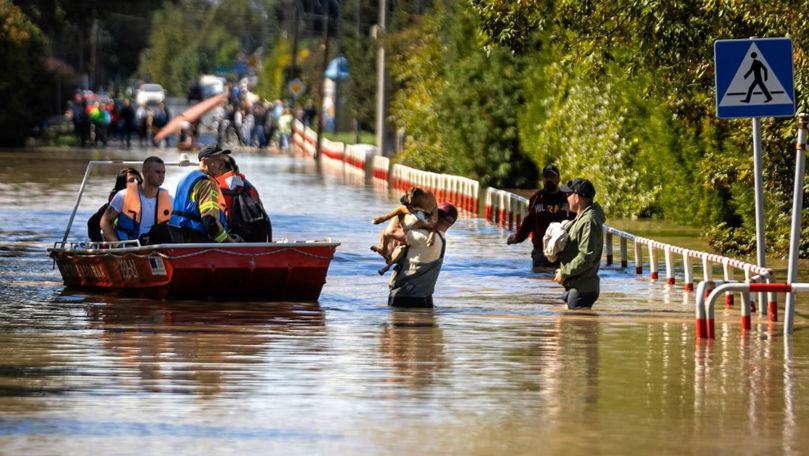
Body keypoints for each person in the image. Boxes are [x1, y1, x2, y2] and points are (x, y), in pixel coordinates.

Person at [388, 202, 458, 308]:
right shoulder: (441, 239)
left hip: (405, 299)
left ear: (435, 217)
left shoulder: (423, 237)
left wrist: (400, 212)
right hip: (424, 299)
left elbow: (391, 231)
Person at [507, 164, 574, 272]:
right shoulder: (536, 198)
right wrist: (518, 237)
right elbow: (528, 222)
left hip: (562, 251)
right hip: (540, 251)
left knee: (559, 280)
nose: (549, 180)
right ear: (542, 179)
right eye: (546, 177)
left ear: (558, 179)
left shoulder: (567, 198)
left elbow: (576, 221)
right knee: (539, 280)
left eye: (552, 177)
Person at [553, 178, 606, 310]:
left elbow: (586, 257)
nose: (566, 198)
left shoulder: (589, 221)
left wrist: (564, 273)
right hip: (577, 286)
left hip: (582, 289)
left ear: (576, 197)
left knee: (576, 329)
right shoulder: (582, 218)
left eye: (568, 194)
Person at [99, 157, 173, 245]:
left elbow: (176, 228)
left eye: (163, 172)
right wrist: (116, 244)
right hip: (127, 250)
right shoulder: (123, 195)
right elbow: (105, 220)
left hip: (156, 250)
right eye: (157, 172)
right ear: (145, 172)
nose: (161, 176)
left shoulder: (170, 199)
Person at [169, 144, 234, 243]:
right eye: (218, 160)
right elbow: (210, 222)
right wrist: (229, 243)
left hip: (177, 236)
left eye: (223, 160)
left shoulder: (185, 179)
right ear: (204, 161)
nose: (222, 164)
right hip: (196, 240)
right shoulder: (207, 184)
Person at [215, 155, 272, 242]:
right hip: (256, 239)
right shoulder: (250, 188)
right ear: (236, 168)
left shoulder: (215, 186)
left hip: (229, 239)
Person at [87, 168, 142, 242]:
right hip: (119, 244)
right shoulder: (114, 205)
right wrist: (99, 243)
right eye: (131, 180)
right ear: (122, 185)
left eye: (139, 181)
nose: (136, 183)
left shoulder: (150, 201)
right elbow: (92, 223)